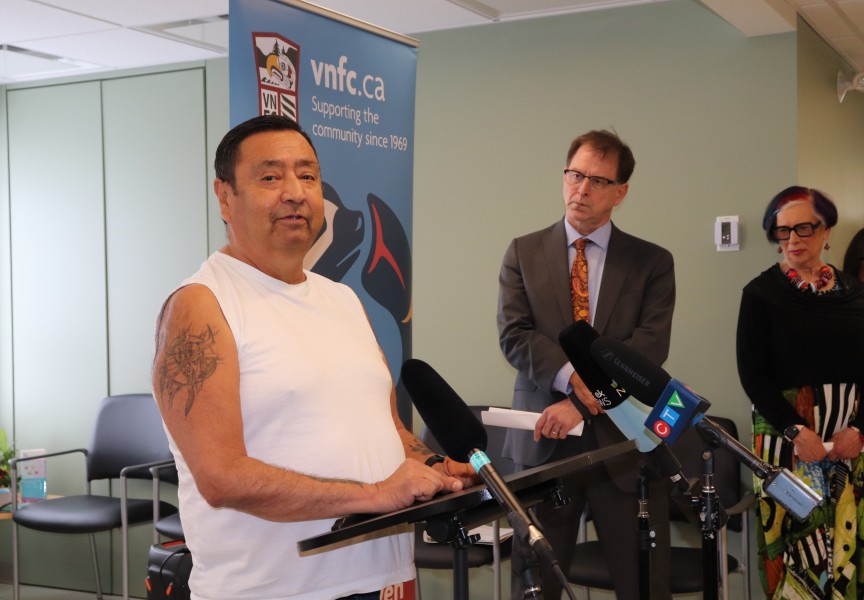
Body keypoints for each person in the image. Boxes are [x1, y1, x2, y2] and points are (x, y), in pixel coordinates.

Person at [151, 115, 475, 600]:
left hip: (385, 580)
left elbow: (387, 430)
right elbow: (220, 478)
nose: (295, 191)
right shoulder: (201, 306)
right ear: (224, 196)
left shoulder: (342, 300)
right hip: (272, 589)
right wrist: (373, 495)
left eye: (307, 175)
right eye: (270, 177)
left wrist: (432, 466)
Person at [498, 129, 675, 600]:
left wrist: (584, 401)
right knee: (535, 586)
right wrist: (578, 383)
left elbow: (649, 348)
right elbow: (514, 336)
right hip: (544, 445)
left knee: (643, 584)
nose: (582, 189)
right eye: (575, 175)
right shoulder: (524, 252)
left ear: (621, 192)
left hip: (624, 447)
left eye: (598, 181)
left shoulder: (652, 263)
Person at [736, 186, 864, 599]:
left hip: (851, 442)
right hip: (783, 442)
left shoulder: (857, 294)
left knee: (848, 549)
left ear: (826, 230)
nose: (792, 240)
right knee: (795, 549)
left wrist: (859, 430)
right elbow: (752, 375)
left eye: (803, 229)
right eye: (782, 231)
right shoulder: (760, 294)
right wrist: (795, 430)